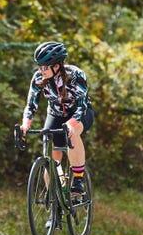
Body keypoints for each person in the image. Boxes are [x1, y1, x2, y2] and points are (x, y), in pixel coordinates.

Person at [19, 41, 94, 195]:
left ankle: (78, 179)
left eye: (45, 67)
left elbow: (81, 105)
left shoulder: (76, 75)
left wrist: (72, 124)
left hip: (79, 112)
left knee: (71, 134)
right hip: (55, 114)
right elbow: (31, 104)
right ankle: (56, 196)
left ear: (57, 65)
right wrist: (25, 125)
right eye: (39, 66)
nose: (41, 70)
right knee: (52, 154)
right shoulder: (39, 77)